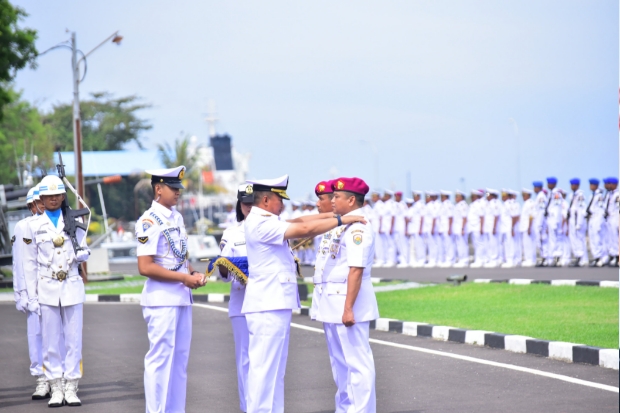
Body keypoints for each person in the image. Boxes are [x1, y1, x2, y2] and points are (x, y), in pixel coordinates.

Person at [242, 175, 366, 413]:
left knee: (274, 372)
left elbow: (301, 219)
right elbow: (305, 228)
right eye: (280, 199)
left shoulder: (264, 218)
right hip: (267, 305)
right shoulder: (262, 223)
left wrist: (334, 216)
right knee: (264, 372)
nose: (283, 205)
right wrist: (342, 218)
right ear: (266, 199)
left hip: (272, 303)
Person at [136, 166, 207, 413]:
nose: (178, 193)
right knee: (160, 362)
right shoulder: (148, 221)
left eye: (179, 188)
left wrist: (193, 274)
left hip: (181, 297)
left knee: (179, 363)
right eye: (173, 188)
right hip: (162, 300)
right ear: (158, 189)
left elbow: (179, 258)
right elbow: (145, 267)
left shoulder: (176, 217)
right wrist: (183, 278)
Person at [22, 175, 90, 407]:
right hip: (46, 287)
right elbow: (29, 265)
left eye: (57, 195)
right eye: (48, 196)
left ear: (63, 196)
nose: (53, 199)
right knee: (50, 341)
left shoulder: (73, 220)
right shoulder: (33, 226)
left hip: (71, 284)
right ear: (42, 198)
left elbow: (84, 246)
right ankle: (56, 386)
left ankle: (72, 385)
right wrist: (31, 296)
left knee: (73, 340)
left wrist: (83, 255)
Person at [313, 177, 379, 413]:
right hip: (333, 302)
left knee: (357, 364)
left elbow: (356, 269)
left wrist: (348, 307)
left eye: (337, 197)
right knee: (339, 366)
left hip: (347, 303)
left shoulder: (358, 228)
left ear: (351, 200)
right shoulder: (342, 223)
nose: (332, 200)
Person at [213, 184, 254, 412]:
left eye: (253, 202)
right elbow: (224, 276)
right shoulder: (231, 233)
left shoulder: (274, 228)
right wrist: (224, 265)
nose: (250, 207)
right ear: (240, 205)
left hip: (266, 302)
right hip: (241, 301)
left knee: (267, 361)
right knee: (245, 361)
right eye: (246, 203)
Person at [13, 185, 51, 400]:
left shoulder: (57, 224)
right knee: (36, 336)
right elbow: (20, 262)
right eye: (39, 202)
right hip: (33, 291)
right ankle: (41, 378)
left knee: (59, 337)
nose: (43, 205)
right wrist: (21, 294)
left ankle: (58, 377)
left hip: (53, 289)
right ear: (31, 205)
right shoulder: (23, 226)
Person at [567, 179, 588, 267]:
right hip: (573, 221)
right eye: (571, 185)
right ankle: (579, 258)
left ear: (577, 185)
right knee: (574, 240)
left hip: (578, 221)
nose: (572, 186)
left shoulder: (580, 196)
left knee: (579, 240)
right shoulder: (573, 195)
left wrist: (579, 223)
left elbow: (580, 210)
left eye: (574, 185)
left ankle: (581, 258)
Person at [585, 178, 606, 267]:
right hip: (592, 219)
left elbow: (601, 211)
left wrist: (599, 223)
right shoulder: (592, 195)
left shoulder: (599, 196)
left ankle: (601, 258)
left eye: (591, 185)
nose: (590, 186)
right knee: (592, 239)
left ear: (595, 185)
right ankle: (596, 258)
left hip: (597, 219)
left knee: (597, 239)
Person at [483, 189, 501, 268]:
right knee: (489, 244)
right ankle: (490, 259)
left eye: (488, 194)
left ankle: (494, 260)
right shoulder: (488, 203)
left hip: (492, 227)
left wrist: (494, 227)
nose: (487, 196)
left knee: (493, 244)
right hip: (487, 227)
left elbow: (496, 216)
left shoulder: (494, 203)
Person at [468, 190, 486, 268]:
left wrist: (481, 228)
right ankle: (478, 259)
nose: (471, 198)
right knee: (476, 244)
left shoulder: (479, 204)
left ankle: (480, 260)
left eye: (473, 196)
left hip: (477, 227)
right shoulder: (473, 204)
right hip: (473, 227)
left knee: (479, 244)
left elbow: (482, 217)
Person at [519, 188, 537, 267]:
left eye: (524, 195)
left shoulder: (529, 203)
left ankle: (529, 259)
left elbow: (531, 216)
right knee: (528, 244)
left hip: (528, 227)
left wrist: (529, 227)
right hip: (526, 227)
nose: (523, 197)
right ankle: (530, 259)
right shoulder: (527, 203)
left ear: (527, 195)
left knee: (528, 244)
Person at [603, 177, 619, 266]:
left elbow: (617, 209)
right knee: (610, 238)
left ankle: (617, 257)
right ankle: (613, 256)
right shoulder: (610, 194)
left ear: (615, 185)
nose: (608, 185)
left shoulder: (617, 195)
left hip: (615, 218)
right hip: (609, 219)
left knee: (615, 238)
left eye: (610, 184)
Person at [408, 191, 425, 267]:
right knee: (414, 245)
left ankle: (421, 259)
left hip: (418, 228)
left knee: (420, 245)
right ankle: (416, 259)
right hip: (414, 228)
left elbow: (422, 217)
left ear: (418, 196)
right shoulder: (415, 205)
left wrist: (421, 228)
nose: (414, 198)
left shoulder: (421, 205)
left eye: (415, 196)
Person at [421, 191, 439, 268]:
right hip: (427, 228)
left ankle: (433, 260)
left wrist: (432, 228)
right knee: (429, 245)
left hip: (431, 228)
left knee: (433, 245)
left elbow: (434, 217)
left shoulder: (432, 206)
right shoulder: (427, 206)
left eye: (427, 197)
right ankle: (432, 259)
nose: (426, 199)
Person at [532, 181, 547, 266]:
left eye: (535, 187)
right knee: (540, 241)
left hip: (540, 223)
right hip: (538, 222)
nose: (534, 189)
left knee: (542, 241)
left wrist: (540, 225)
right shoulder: (539, 196)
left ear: (538, 188)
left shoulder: (541, 197)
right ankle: (543, 258)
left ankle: (544, 258)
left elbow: (541, 211)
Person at [438, 190, 455, 268]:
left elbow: (450, 217)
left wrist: (449, 228)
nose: (441, 198)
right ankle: (446, 259)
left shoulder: (448, 205)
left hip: (447, 227)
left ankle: (450, 260)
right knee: (445, 244)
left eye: (442, 196)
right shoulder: (443, 205)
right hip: (443, 227)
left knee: (449, 244)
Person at [379, 190, 396, 267]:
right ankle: (386, 259)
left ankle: (392, 260)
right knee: (385, 244)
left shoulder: (392, 204)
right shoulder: (385, 204)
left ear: (388, 196)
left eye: (385, 196)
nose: (384, 197)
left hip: (389, 227)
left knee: (391, 244)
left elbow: (393, 217)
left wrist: (391, 228)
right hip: (384, 227)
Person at [452, 190, 469, 268]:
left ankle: (464, 260)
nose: (455, 198)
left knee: (463, 245)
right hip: (457, 228)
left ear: (461, 197)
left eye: (457, 196)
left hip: (461, 228)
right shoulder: (457, 205)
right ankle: (461, 259)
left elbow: (464, 218)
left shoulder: (463, 205)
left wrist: (462, 228)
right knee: (459, 245)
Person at [393, 191, 409, 268]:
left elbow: (406, 218)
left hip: (402, 227)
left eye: (396, 196)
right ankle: (401, 259)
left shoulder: (403, 205)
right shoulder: (395, 204)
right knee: (398, 245)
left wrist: (406, 229)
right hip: (396, 227)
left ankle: (405, 260)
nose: (395, 198)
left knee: (403, 244)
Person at [370, 191, 385, 267]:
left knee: (379, 244)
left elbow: (381, 217)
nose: (372, 198)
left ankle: (381, 260)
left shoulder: (380, 205)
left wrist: (380, 227)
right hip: (375, 227)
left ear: (378, 197)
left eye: (374, 197)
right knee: (377, 244)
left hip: (378, 227)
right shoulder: (376, 205)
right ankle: (379, 259)